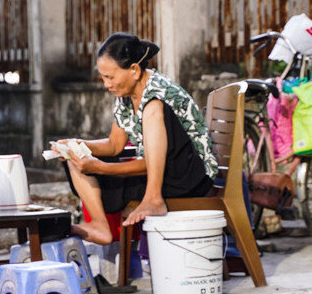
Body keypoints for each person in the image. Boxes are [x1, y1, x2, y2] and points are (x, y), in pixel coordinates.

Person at [54, 32, 217, 245]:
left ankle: (153, 199)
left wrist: (100, 168)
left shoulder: (158, 94)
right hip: (160, 172)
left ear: (134, 70)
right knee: (75, 158)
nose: (106, 84)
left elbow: (159, 160)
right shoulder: (126, 94)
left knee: (152, 110)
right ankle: (100, 225)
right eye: (103, 77)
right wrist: (77, 145)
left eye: (110, 77)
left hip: (188, 173)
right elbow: (114, 145)